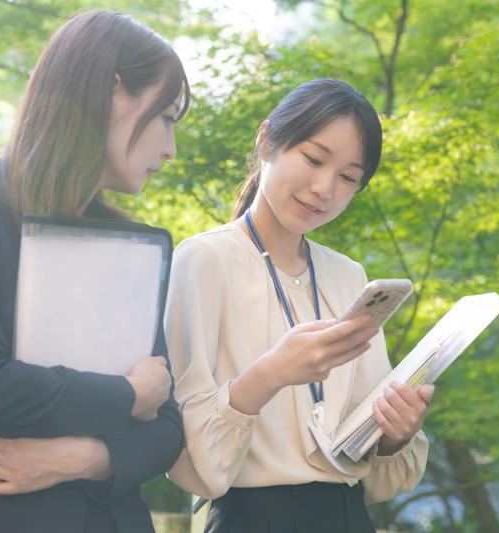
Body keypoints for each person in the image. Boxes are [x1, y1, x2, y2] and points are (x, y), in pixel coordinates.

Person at [0, 10, 189, 533]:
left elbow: (168, 429)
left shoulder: (128, 241)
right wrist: (127, 396)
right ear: (111, 90)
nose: (170, 149)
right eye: (166, 117)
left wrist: (81, 457)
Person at [164, 78, 433, 532]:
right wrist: (270, 373)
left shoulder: (348, 276)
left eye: (348, 177)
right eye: (313, 159)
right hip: (253, 518)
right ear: (267, 140)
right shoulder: (205, 259)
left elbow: (380, 479)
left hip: (348, 517)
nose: (324, 189)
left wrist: (395, 434)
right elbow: (193, 465)